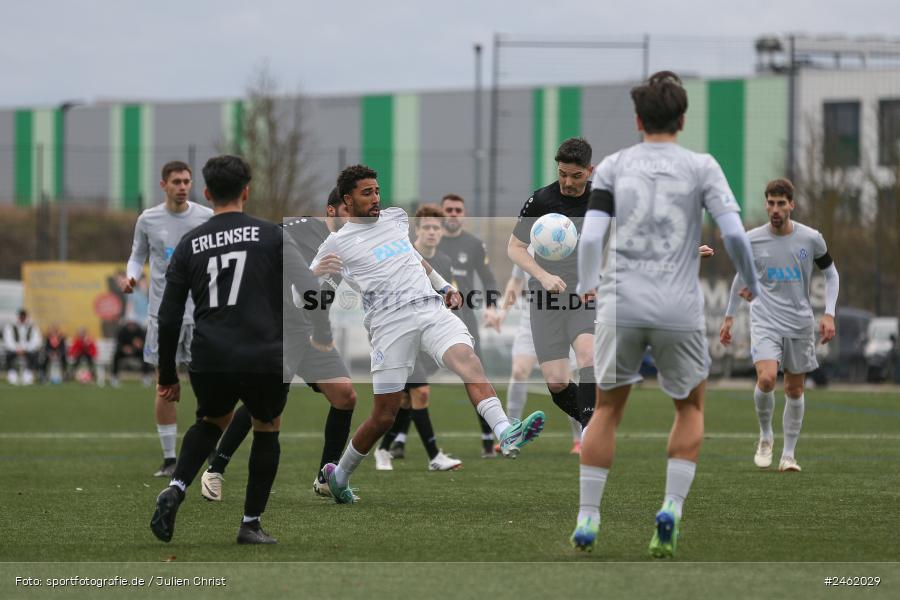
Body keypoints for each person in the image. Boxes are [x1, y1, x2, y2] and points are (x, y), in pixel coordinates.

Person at [572, 71, 760, 558]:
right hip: (677, 306)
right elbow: (736, 236)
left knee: (608, 409)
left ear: (638, 119)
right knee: (690, 407)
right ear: (682, 118)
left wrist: (587, 284)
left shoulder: (613, 165)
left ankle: (588, 516)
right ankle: (671, 509)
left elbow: (591, 237)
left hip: (621, 303)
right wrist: (752, 284)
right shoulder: (701, 166)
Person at [312, 165, 545, 504]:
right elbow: (302, 290)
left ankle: (505, 432)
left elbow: (414, 258)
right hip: (388, 324)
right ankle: (340, 476)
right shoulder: (336, 243)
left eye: (377, 191)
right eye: (367, 193)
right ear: (348, 199)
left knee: (468, 361)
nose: (376, 198)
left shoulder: (394, 218)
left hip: (430, 308)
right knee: (384, 415)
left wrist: (444, 285)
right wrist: (317, 273)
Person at [150, 154, 330, 545]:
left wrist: (167, 373)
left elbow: (167, 317)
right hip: (265, 354)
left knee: (210, 421)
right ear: (247, 190)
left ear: (207, 193)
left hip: (211, 355)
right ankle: (250, 524)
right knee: (267, 427)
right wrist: (320, 335)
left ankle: (176, 488)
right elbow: (313, 292)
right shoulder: (271, 235)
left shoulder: (189, 243)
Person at [199, 187, 359, 501]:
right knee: (265, 403)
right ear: (331, 211)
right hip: (277, 326)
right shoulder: (296, 230)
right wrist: (311, 273)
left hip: (311, 332)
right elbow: (267, 268)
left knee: (345, 395)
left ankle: (326, 477)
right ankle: (215, 469)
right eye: (348, 210)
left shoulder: (349, 246)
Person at [720, 178, 839, 473]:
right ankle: (765, 436)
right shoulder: (752, 239)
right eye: (771, 203)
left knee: (795, 390)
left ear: (791, 205)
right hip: (765, 320)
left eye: (781, 203)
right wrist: (729, 316)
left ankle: (788, 455)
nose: (775, 209)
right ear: (766, 204)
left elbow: (832, 274)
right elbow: (741, 277)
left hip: (799, 322)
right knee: (767, 379)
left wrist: (829, 314)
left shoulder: (811, 239)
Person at [121, 161, 214, 477]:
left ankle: (210, 448)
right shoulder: (148, 219)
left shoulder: (205, 217)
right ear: (163, 185)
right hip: (164, 315)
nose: (182, 186)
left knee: (209, 384)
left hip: (202, 313)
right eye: (176, 181)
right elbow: (137, 256)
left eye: (187, 181)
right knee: (165, 383)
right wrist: (131, 277)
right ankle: (170, 458)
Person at [508, 138, 597, 429]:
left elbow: (636, 234)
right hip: (546, 300)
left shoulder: (602, 202)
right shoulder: (542, 200)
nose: (567, 182)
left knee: (587, 355)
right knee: (557, 383)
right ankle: (592, 419)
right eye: (562, 174)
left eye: (575, 175)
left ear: (590, 171)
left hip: (583, 295)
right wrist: (543, 276)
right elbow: (515, 248)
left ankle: (592, 431)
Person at [373, 204, 462, 472]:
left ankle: (384, 448)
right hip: (400, 332)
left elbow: (448, 295)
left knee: (406, 400)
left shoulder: (444, 262)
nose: (432, 232)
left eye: (437, 227)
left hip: (429, 335)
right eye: (427, 227)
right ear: (417, 231)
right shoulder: (400, 253)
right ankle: (433, 455)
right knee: (418, 393)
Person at [438, 193, 502, 457]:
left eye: (457, 210)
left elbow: (488, 280)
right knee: (412, 379)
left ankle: (488, 436)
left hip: (464, 318)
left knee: (475, 374)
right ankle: (396, 439)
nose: (453, 214)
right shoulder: (429, 241)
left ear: (463, 214)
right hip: (430, 318)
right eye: (448, 210)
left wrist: (491, 307)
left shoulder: (474, 244)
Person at [495, 262, 583, 454]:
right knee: (519, 371)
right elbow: (516, 281)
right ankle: (512, 433)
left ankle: (580, 438)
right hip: (532, 317)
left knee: (565, 380)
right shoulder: (525, 244)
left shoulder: (569, 242)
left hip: (563, 316)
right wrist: (502, 312)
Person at [4, 309, 42, 386]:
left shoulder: (33, 327)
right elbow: (8, 340)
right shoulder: (10, 326)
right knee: (9, 355)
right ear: (18, 317)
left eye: (24, 316)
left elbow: (36, 340)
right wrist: (16, 349)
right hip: (14, 350)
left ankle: (28, 375)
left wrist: (25, 349)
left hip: (28, 350)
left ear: (26, 317)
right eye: (21, 316)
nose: (22, 318)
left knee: (34, 355)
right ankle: (12, 375)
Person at [111, 321, 150, 386]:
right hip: (124, 351)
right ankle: (115, 377)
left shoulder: (140, 331)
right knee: (116, 356)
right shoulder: (122, 331)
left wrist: (140, 345)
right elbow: (118, 343)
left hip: (136, 351)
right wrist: (124, 348)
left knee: (145, 356)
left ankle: (145, 377)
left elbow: (144, 343)